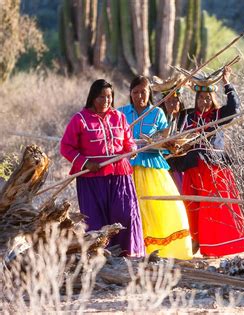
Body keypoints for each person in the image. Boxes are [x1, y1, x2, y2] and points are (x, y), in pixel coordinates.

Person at [60, 79, 145, 257]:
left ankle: (127, 255)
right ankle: (100, 257)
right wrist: (85, 163)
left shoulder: (119, 117)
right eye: (101, 97)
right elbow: (66, 147)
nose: (106, 101)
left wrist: (131, 150)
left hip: (119, 175)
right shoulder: (80, 119)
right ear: (92, 98)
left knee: (125, 215)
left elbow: (128, 142)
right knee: (97, 220)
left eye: (109, 97)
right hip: (92, 178)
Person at [118, 75, 193, 259]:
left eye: (143, 92)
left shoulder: (157, 114)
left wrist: (170, 145)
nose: (139, 96)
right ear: (130, 93)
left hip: (152, 168)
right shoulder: (121, 113)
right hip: (127, 168)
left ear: (149, 92)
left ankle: (164, 251)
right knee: (131, 209)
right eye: (135, 92)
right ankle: (133, 247)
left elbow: (165, 142)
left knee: (160, 208)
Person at [178, 66, 244, 257]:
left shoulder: (217, 115)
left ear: (212, 98)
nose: (204, 101)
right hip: (193, 167)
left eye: (208, 98)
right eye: (201, 98)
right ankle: (195, 241)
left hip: (213, 167)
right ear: (196, 98)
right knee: (192, 205)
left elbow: (234, 109)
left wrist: (227, 83)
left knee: (212, 208)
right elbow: (176, 137)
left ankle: (214, 248)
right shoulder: (188, 116)